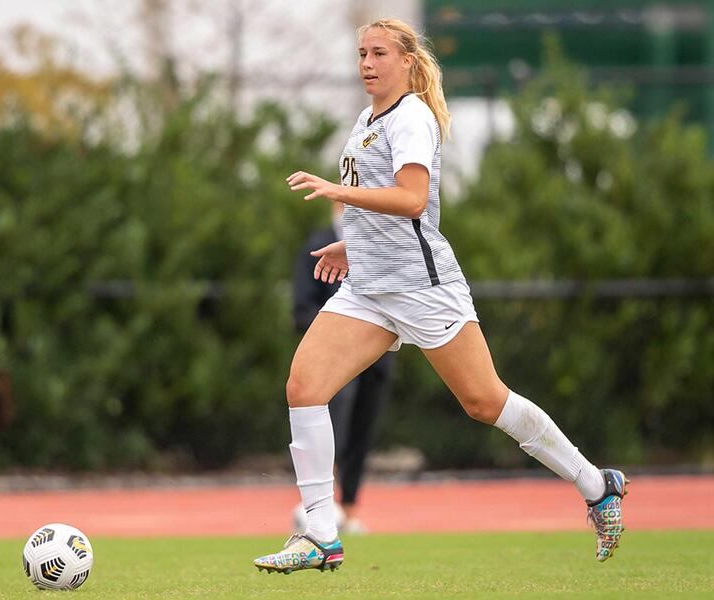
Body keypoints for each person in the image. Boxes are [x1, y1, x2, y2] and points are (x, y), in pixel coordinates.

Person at [253, 18, 628, 574]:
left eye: (379, 52)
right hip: (370, 288)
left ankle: (597, 485)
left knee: (485, 401)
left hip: (424, 289)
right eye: (361, 53)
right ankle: (320, 534)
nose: (367, 63)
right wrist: (350, 248)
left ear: (407, 61)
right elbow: (390, 216)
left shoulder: (413, 117)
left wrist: (337, 191)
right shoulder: (366, 120)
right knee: (304, 386)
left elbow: (411, 200)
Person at [291, 200, 394, 535]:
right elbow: (302, 307)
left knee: (363, 431)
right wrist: (336, 336)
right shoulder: (316, 244)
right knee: (331, 423)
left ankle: (348, 510)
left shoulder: (379, 245)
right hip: (333, 356)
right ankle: (321, 509)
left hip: (375, 358)